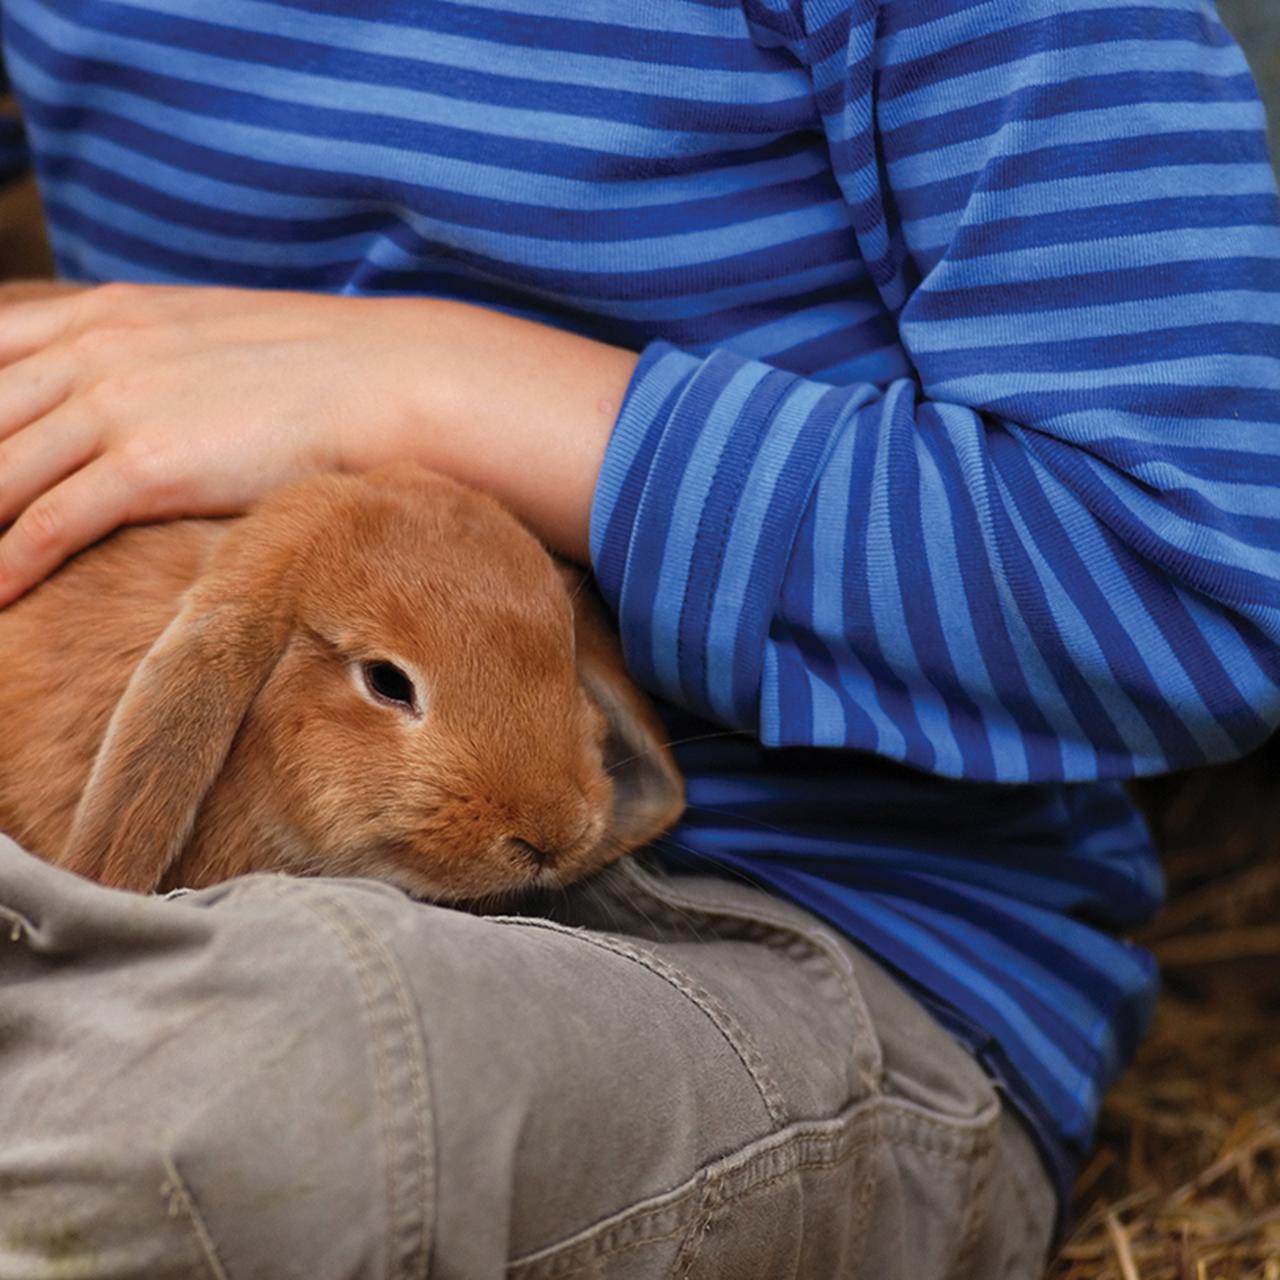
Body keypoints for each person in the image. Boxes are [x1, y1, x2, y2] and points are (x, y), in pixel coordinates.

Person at [0, 0, 1276, 1274]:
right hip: (184, 810)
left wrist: (422, 389)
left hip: (777, 914)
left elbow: (1194, 580)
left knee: (247, 1105)